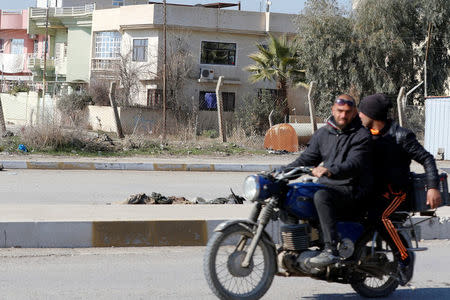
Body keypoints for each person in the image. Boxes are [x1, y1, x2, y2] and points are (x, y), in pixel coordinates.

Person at [358, 93, 442, 285]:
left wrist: (433, 187)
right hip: (373, 190)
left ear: (373, 114)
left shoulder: (401, 135)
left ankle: (404, 257)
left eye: (363, 112)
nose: (359, 115)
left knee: (382, 217)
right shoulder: (364, 134)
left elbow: (427, 159)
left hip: (396, 192)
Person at [282, 94, 372, 267]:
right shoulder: (324, 133)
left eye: (347, 112)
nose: (343, 115)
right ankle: (295, 247)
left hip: (352, 189)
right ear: (332, 110)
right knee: (293, 193)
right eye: (339, 111)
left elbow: (354, 164)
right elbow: (306, 159)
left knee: (322, 196)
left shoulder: (361, 135)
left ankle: (330, 250)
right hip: (329, 186)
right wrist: (282, 173)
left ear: (354, 113)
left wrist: (330, 171)